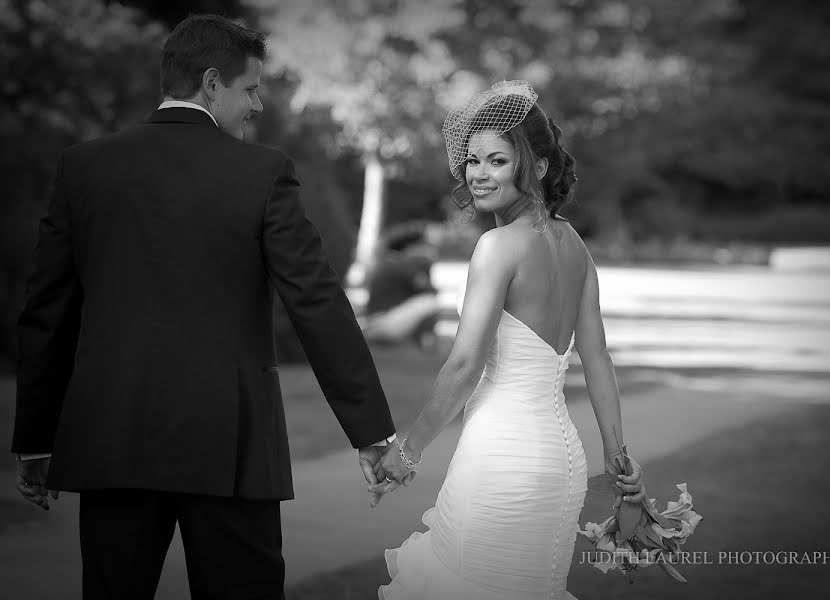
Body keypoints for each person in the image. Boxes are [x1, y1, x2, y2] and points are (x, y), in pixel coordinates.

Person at [12, 14, 397, 600]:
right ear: (212, 84)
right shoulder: (263, 173)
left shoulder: (84, 167)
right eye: (251, 88)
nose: (258, 104)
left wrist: (36, 437)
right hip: (232, 450)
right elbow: (315, 301)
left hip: (113, 440)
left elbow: (47, 310)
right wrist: (370, 432)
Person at [370, 81, 646, 600]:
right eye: (473, 160)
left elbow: (464, 365)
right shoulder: (575, 245)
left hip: (502, 460)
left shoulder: (497, 247)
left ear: (538, 166)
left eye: (497, 160)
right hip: (560, 462)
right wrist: (619, 464)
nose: (478, 174)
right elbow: (597, 357)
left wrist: (406, 453)